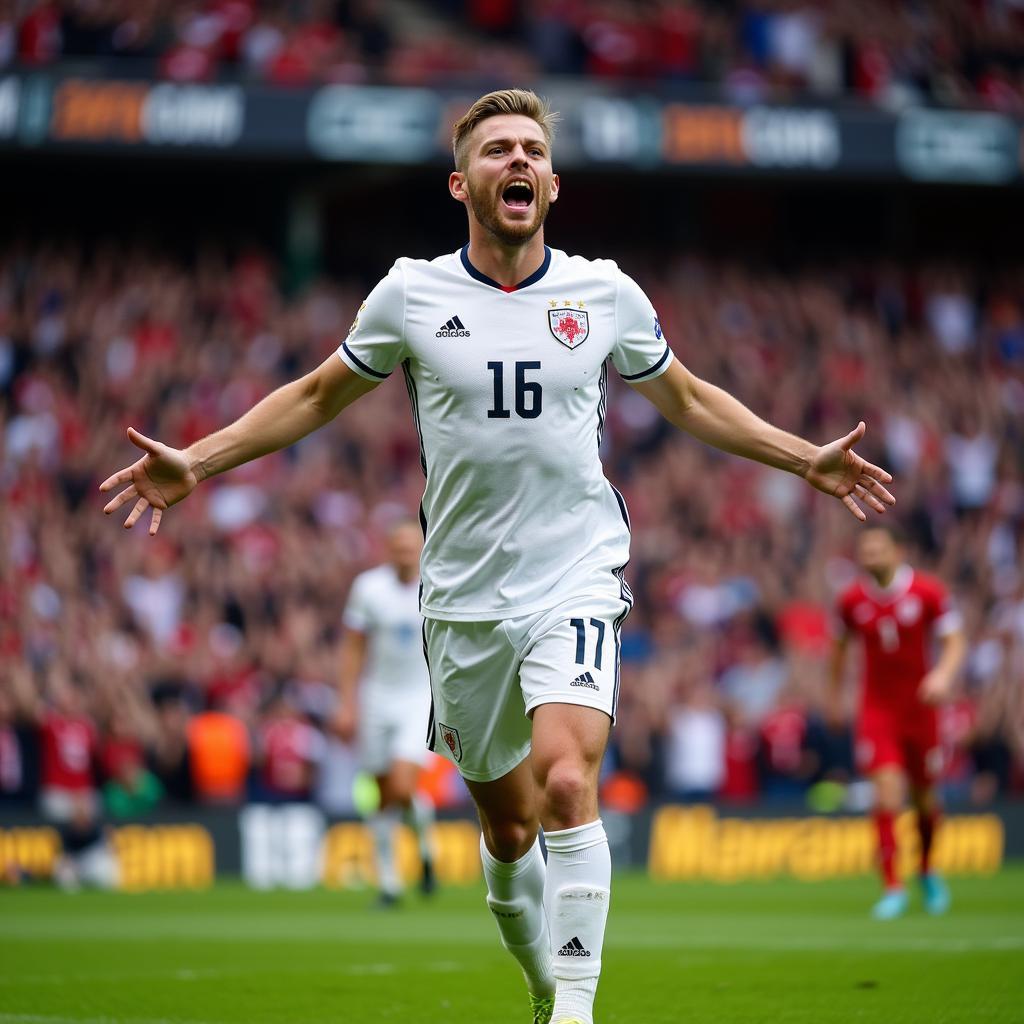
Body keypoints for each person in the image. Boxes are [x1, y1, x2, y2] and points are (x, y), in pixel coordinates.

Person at [100, 88, 895, 1024]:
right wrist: (198, 458)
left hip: (576, 575)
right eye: (495, 151)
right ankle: (539, 981)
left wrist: (805, 457)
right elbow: (316, 396)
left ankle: (577, 1012)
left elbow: (688, 397)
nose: (515, 161)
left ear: (553, 184)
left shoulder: (603, 293)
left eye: (530, 150)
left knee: (567, 778)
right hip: (463, 599)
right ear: (459, 182)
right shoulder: (410, 293)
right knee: (508, 828)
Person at [830, 526, 965, 920]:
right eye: (865, 549)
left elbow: (955, 640)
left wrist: (942, 675)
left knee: (924, 798)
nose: (870, 555)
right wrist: (835, 698)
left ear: (898, 550)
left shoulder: (928, 592)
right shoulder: (850, 600)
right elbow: (837, 652)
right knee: (887, 793)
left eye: (878, 548)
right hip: (877, 711)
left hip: (921, 710)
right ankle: (893, 886)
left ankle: (926, 870)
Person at [334, 519, 438, 905]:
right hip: (377, 697)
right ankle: (391, 883)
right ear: (389, 549)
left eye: (412, 547)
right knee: (382, 795)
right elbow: (352, 648)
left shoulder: (437, 584)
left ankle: (424, 849)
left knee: (402, 784)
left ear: (422, 549)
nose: (406, 554)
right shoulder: (369, 588)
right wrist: (347, 702)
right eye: (399, 547)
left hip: (420, 698)